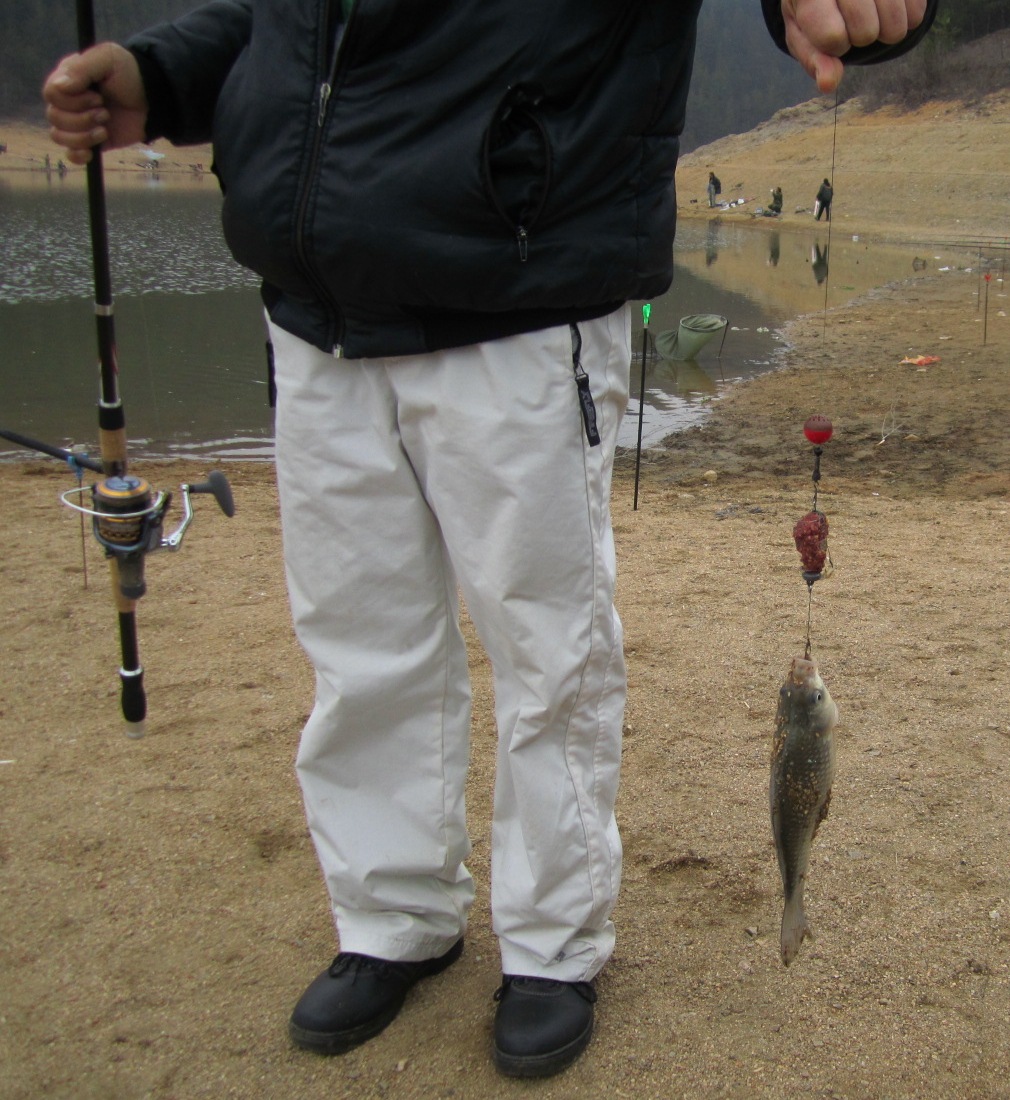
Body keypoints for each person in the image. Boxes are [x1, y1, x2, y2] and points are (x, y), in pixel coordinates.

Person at [43, 0, 937, 1079]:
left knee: (551, 656)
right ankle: (393, 916)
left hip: (523, 300)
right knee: (358, 648)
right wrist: (165, 76)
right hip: (315, 316)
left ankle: (553, 943)